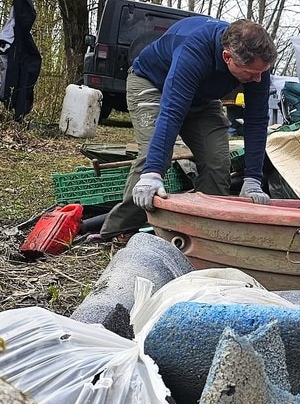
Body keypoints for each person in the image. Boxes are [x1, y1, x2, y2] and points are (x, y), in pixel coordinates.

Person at [100, 17, 277, 239]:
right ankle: (119, 231)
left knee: (217, 162)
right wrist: (153, 172)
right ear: (227, 57)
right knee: (152, 158)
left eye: (262, 72)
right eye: (251, 74)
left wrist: (252, 178)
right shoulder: (193, 49)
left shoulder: (258, 62)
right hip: (153, 84)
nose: (258, 79)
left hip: (202, 97)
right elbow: (172, 111)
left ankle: (205, 234)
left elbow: (257, 119)